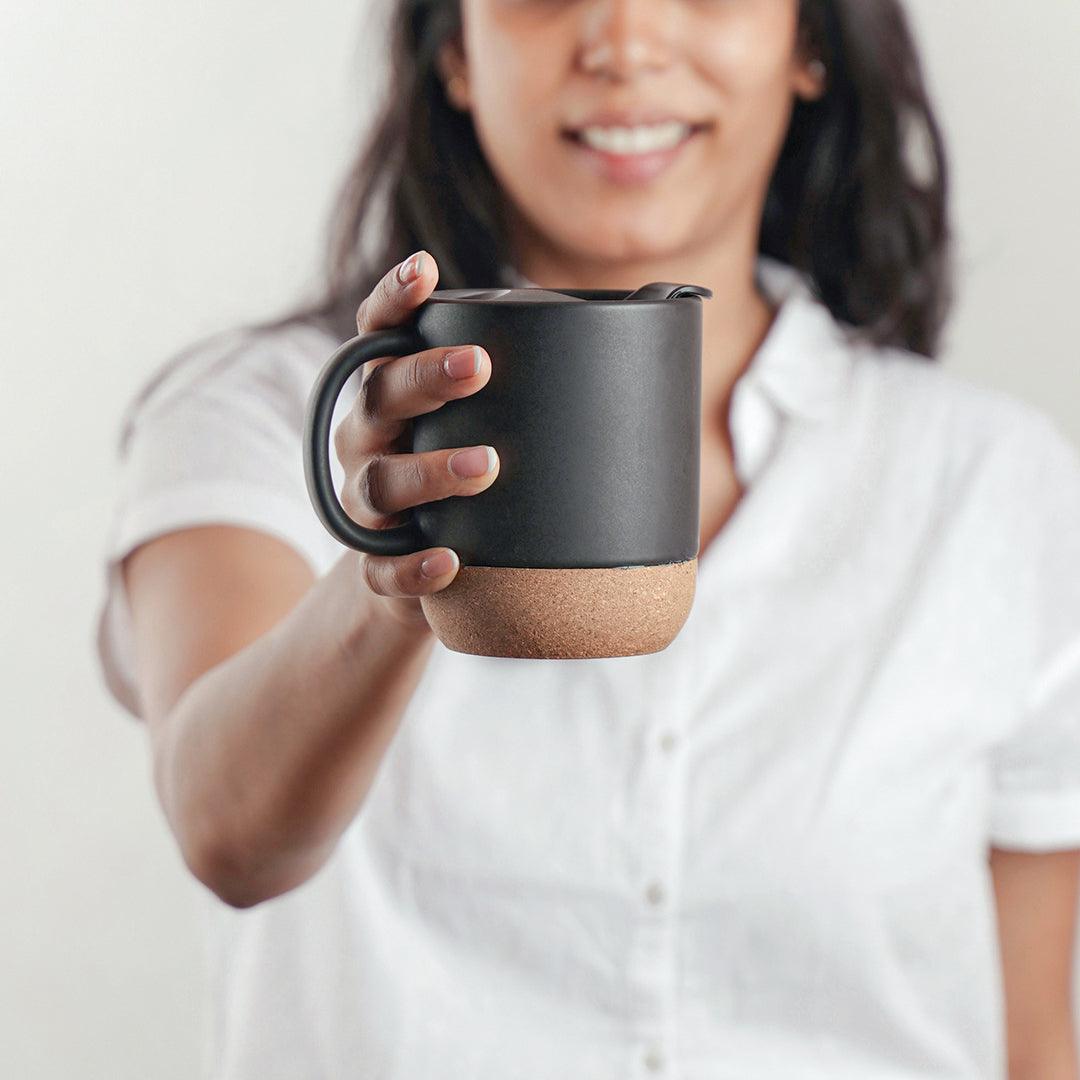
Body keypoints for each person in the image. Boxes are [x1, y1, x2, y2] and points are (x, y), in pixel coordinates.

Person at [94, 0, 1080, 1076]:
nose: (625, 42)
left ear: (809, 42)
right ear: (455, 53)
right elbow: (228, 831)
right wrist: (380, 581)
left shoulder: (995, 484)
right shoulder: (256, 420)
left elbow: (1029, 1040)